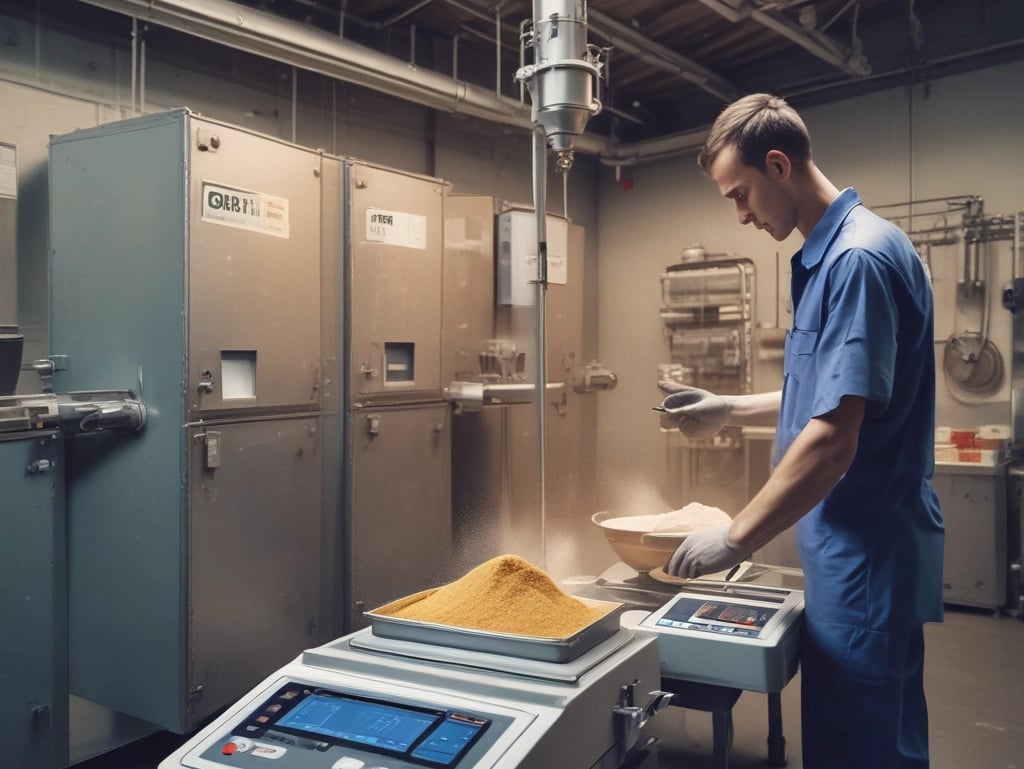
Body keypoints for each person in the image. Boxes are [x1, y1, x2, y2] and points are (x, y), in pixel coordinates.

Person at [658, 93, 944, 769]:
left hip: (864, 555)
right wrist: (728, 407)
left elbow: (832, 439)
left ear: (778, 164)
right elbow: (825, 397)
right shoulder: (836, 254)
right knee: (869, 734)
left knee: (863, 749)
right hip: (857, 549)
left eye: (741, 194)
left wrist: (734, 538)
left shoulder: (856, 261)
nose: (742, 213)